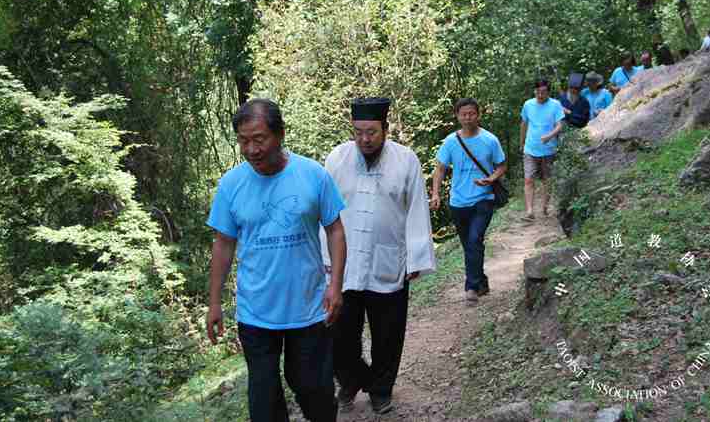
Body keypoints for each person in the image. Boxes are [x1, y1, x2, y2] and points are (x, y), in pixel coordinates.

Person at [206, 99, 348, 422]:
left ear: (280, 134)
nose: (251, 149)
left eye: (259, 139)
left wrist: (335, 286)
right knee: (264, 401)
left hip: (309, 307)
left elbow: (335, 231)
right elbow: (223, 244)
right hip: (256, 312)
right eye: (243, 140)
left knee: (315, 390)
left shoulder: (313, 175)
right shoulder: (231, 185)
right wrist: (214, 303)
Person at [322, 97, 436, 415]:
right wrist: (324, 257)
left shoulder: (406, 160)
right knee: (339, 336)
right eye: (358, 132)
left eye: (371, 132)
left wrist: (415, 258)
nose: (364, 139)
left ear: (385, 129)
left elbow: (416, 209)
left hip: (389, 261)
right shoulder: (336, 159)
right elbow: (323, 211)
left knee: (388, 334)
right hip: (344, 265)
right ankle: (351, 379)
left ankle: (381, 390)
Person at [431, 98, 507, 306]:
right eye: (463, 114)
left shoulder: (490, 140)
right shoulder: (450, 142)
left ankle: (471, 288)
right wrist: (435, 194)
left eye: (471, 113)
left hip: (484, 199)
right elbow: (440, 169)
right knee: (470, 245)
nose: (468, 118)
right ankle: (481, 281)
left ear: (478, 114)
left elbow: (501, 166)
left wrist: (491, 179)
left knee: (474, 240)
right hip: (458, 202)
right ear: (457, 116)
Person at [519, 81, 564, 222]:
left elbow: (560, 125)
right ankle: (529, 211)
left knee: (547, 180)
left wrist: (550, 135)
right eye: (538, 91)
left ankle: (545, 206)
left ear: (548, 92)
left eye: (543, 91)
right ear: (534, 91)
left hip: (549, 149)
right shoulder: (528, 105)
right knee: (528, 179)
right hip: (530, 149)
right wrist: (522, 142)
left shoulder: (555, 105)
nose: (540, 94)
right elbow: (524, 124)